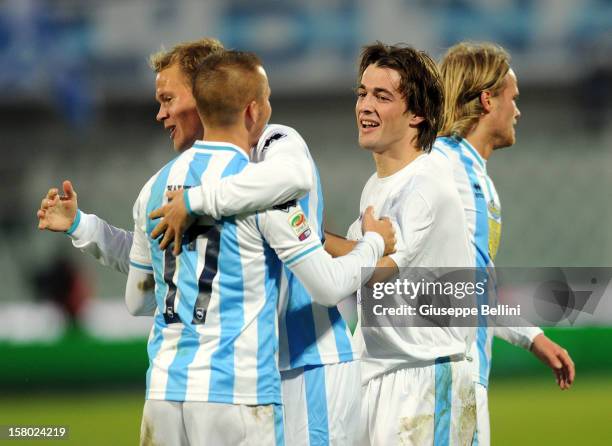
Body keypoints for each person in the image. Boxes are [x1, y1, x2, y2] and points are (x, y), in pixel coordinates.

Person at [37, 38, 395, 445]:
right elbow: (157, 264)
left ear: (205, 90)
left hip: (307, 364)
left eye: (169, 98)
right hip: (245, 378)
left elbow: (295, 179)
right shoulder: (172, 181)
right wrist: (84, 228)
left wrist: (195, 200)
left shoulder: (273, 145)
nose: (162, 112)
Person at [433, 41, 576, 445]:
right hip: (443, 375)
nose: (518, 110)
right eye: (513, 98)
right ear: (486, 99)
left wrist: (530, 336)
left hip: (468, 373)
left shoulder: (478, 178)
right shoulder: (441, 168)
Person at [342, 42, 476, 445]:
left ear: (418, 114)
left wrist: (296, 235)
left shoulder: (426, 184)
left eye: (382, 96)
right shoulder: (378, 186)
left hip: (425, 379)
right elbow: (354, 258)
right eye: (363, 93)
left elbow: (372, 273)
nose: (366, 105)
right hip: (380, 376)